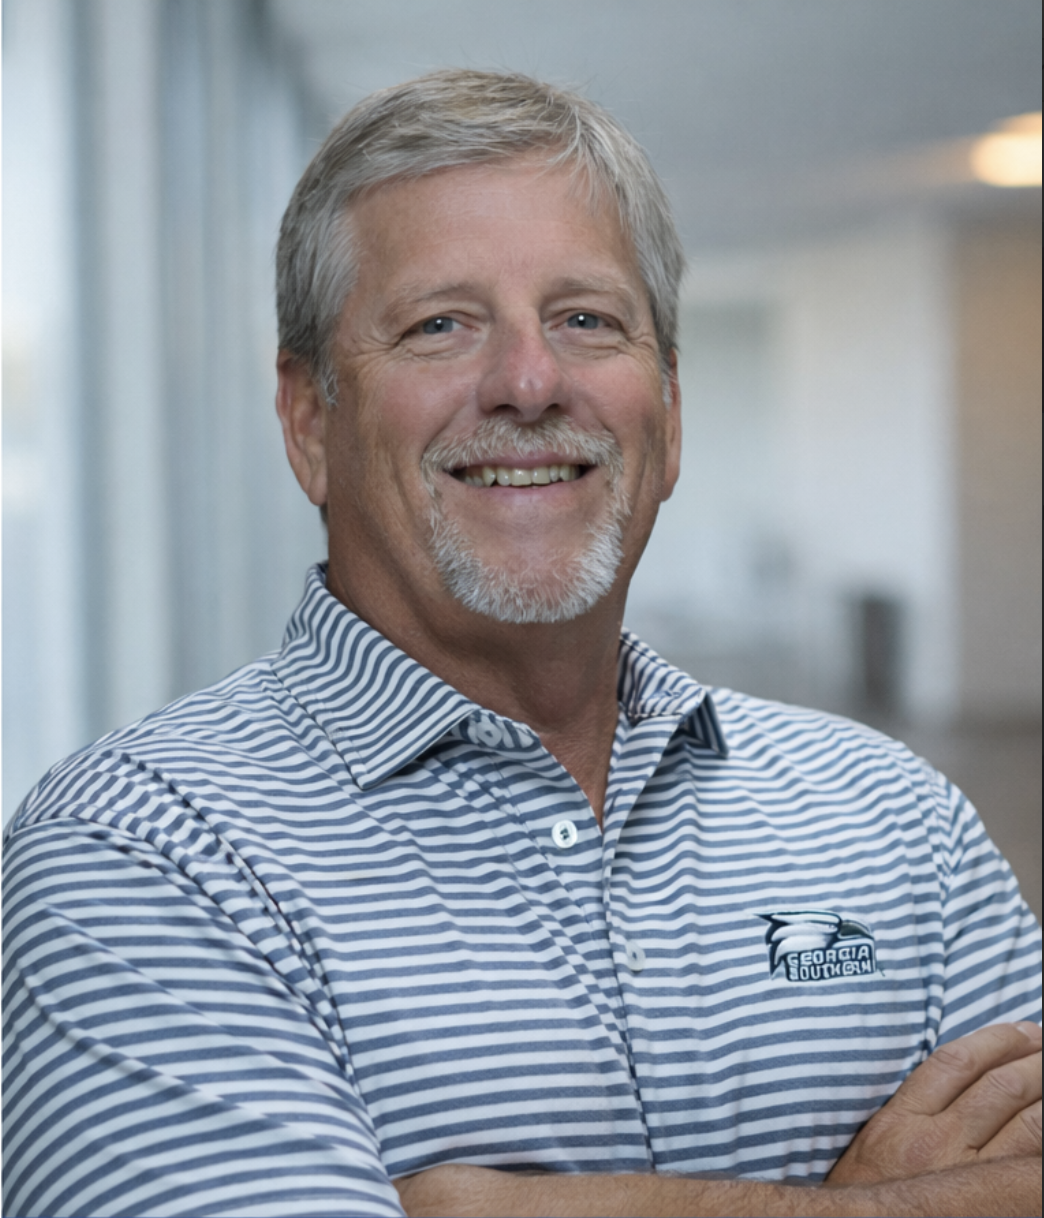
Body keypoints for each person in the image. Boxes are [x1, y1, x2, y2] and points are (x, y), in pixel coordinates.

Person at [3, 69, 1040, 1218]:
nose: (530, 383)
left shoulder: (899, 819)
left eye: (586, 320)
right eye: (440, 325)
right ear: (308, 422)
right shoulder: (142, 857)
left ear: (670, 409)